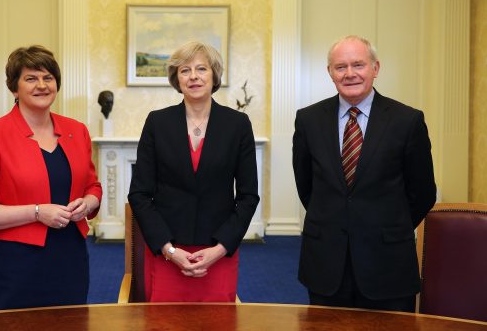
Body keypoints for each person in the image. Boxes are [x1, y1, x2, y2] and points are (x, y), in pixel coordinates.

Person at [292, 35, 436, 312]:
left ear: (375, 68)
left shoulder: (407, 121)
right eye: (340, 67)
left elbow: (422, 192)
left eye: (358, 65)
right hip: (326, 261)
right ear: (330, 73)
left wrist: (387, 226)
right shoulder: (308, 120)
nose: (349, 74)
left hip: (388, 261)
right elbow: (306, 186)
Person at [0, 45, 102, 311]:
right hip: (19, 261)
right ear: (14, 88)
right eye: (31, 78)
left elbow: (93, 186)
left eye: (48, 77)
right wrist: (37, 212)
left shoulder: (77, 131)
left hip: (71, 254)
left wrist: (88, 202)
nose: (42, 85)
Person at [128, 41, 260, 302]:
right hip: (169, 252)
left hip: (218, 252)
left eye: (202, 68)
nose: (194, 76)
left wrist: (220, 249)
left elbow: (248, 196)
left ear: (214, 75)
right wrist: (169, 249)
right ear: (177, 79)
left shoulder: (238, 125)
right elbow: (140, 194)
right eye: (185, 70)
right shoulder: (157, 122)